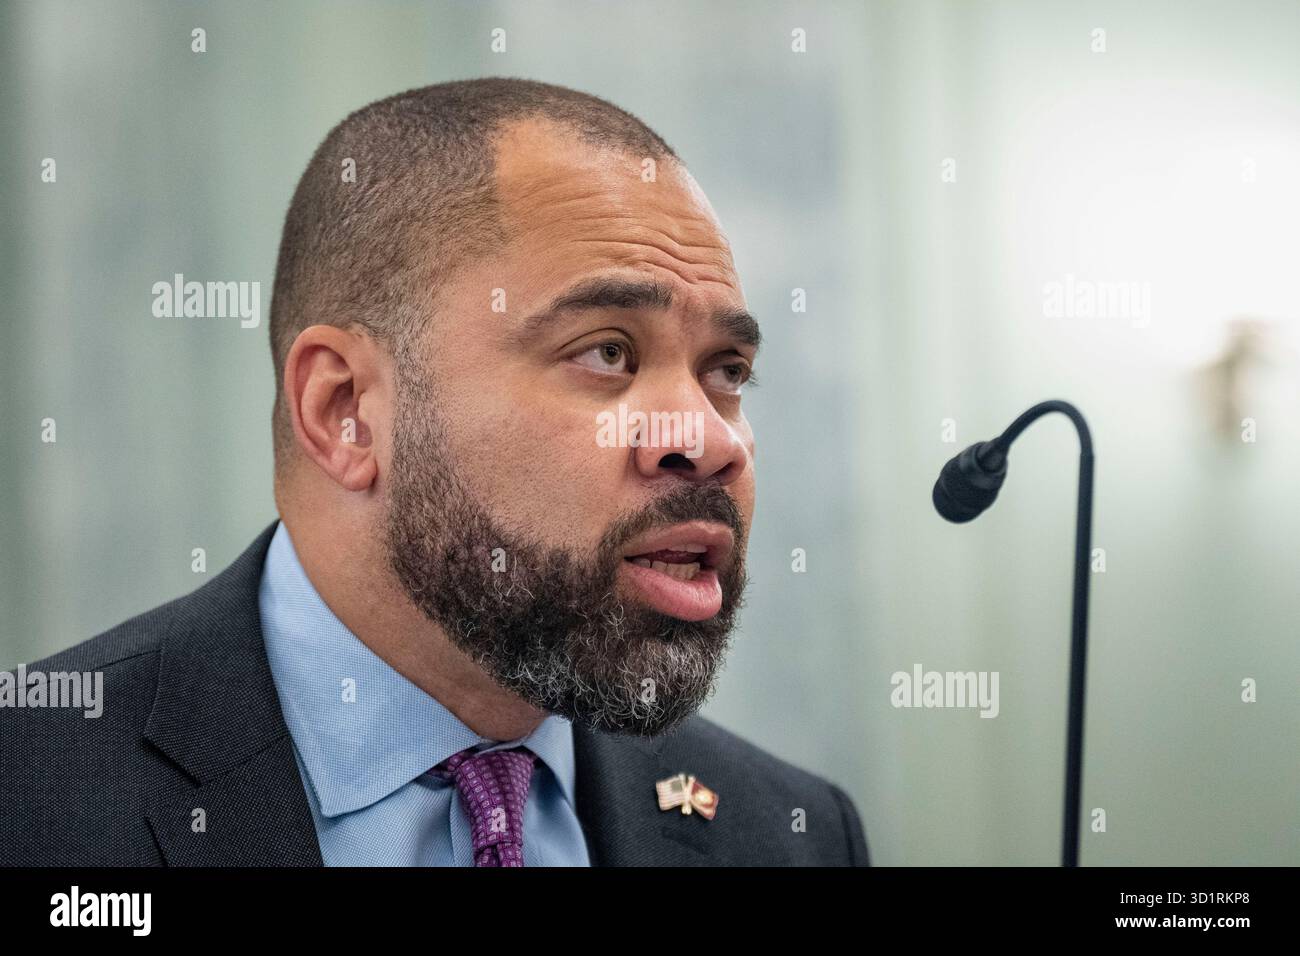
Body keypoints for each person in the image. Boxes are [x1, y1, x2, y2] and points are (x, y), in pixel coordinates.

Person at [0, 78, 869, 867]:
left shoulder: (791, 833)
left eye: (727, 371)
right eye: (608, 351)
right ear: (346, 411)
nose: (711, 441)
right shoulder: (31, 797)